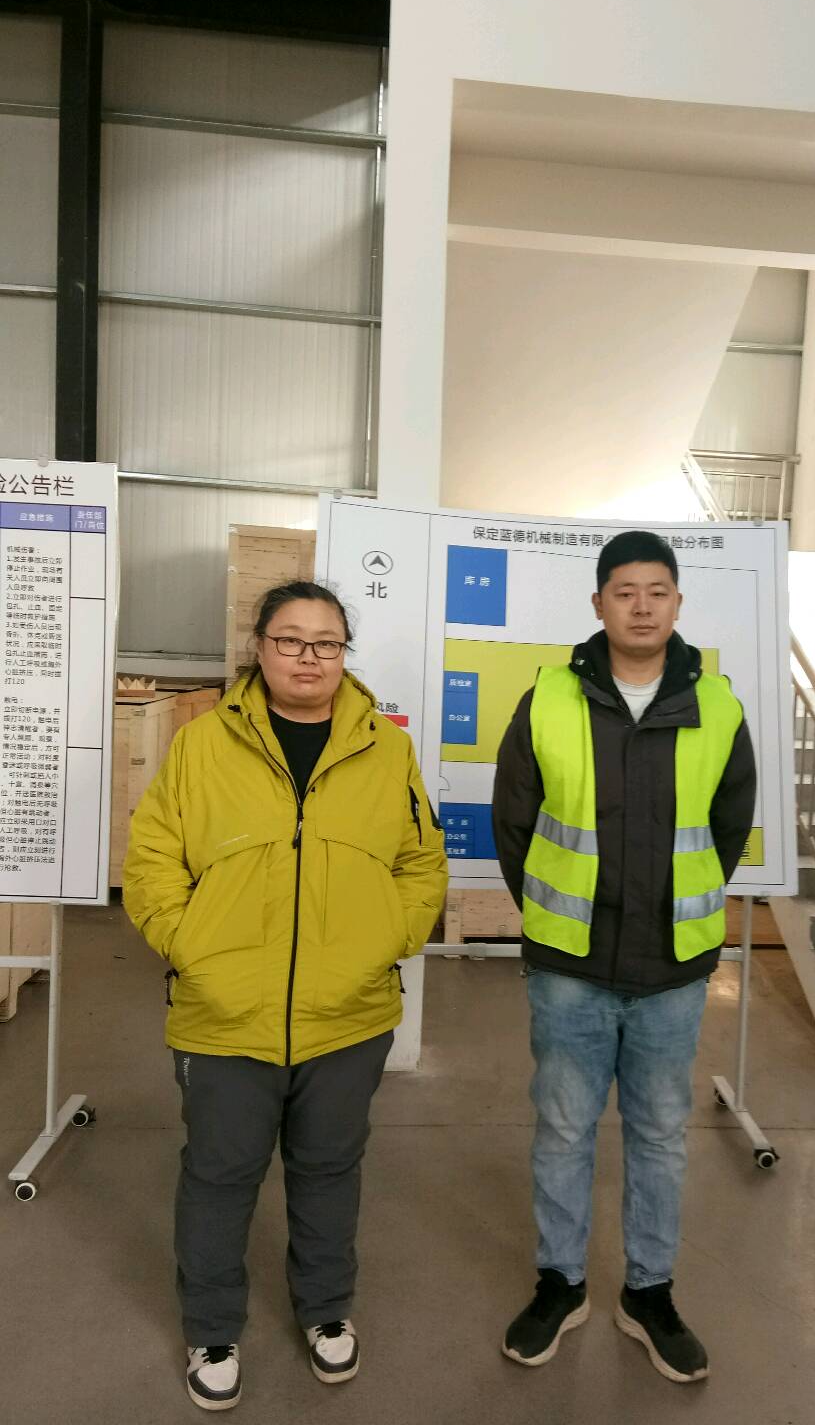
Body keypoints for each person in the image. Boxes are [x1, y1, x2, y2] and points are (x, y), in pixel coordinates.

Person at [124, 580, 447, 1411]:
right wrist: (194, 948)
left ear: (344, 653)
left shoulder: (385, 751)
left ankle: (326, 1309)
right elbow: (152, 860)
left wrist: (387, 939)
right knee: (219, 1174)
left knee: (330, 1169)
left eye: (327, 642)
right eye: (291, 640)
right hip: (225, 1015)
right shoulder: (202, 746)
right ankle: (212, 1327)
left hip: (349, 1015)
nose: (309, 657)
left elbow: (421, 861)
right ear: (260, 648)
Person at [492, 530, 756, 1385]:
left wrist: (679, 903)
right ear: (598, 603)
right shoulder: (548, 697)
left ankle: (648, 1293)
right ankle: (560, 1284)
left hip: (672, 969)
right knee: (564, 1129)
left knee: (660, 1136)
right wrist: (554, 912)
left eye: (657, 591)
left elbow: (727, 826)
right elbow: (514, 823)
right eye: (625, 591)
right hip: (569, 964)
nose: (642, 607)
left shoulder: (718, 705)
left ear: (677, 602)